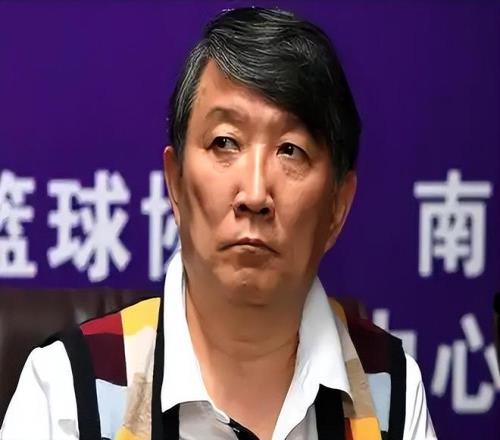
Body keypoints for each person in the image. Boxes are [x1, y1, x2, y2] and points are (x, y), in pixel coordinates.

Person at [0, 7, 436, 440]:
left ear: (338, 206)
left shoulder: (390, 394)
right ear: (175, 183)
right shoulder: (68, 392)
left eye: (290, 150)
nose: (254, 194)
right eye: (225, 142)